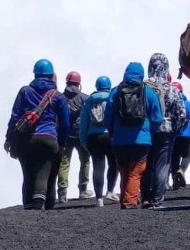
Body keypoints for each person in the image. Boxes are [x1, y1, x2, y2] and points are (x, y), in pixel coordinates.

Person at [6, 60, 70, 211]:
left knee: (27, 174)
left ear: (35, 74)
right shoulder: (57, 96)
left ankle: (28, 208)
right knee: (43, 171)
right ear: (51, 75)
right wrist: (62, 144)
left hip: (25, 139)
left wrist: (9, 138)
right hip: (48, 139)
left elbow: (15, 117)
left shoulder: (24, 91)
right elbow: (65, 124)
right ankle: (38, 206)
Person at [103, 62, 163, 209]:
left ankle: (126, 199)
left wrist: (112, 132)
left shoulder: (115, 92)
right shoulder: (148, 92)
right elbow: (157, 118)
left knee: (124, 170)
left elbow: (107, 118)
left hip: (119, 140)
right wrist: (150, 132)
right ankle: (129, 203)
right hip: (141, 140)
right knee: (135, 172)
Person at [143, 53, 187, 208]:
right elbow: (181, 113)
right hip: (166, 131)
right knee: (162, 165)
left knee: (146, 164)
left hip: (146, 131)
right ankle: (157, 199)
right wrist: (175, 129)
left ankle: (145, 198)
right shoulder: (172, 88)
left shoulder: (144, 86)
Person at [77, 75, 119, 205]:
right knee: (114, 164)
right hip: (110, 135)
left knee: (98, 166)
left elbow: (83, 123)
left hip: (93, 137)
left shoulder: (89, 101)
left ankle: (99, 199)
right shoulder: (113, 98)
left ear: (97, 86)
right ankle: (110, 192)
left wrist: (83, 139)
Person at [57, 71, 94, 203]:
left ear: (67, 82)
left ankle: (62, 192)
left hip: (65, 134)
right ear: (79, 83)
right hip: (81, 134)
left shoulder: (60, 97)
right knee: (85, 161)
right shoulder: (85, 98)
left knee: (64, 162)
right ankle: (83, 190)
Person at [171, 84, 190, 188]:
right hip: (186, 135)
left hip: (173, 136)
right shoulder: (188, 104)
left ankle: (175, 180)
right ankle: (181, 170)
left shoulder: (171, 103)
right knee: (186, 156)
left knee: (174, 158)